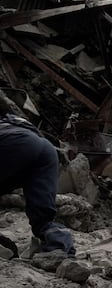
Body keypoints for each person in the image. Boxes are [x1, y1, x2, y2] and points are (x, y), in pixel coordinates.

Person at [0, 99, 75, 259]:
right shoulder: (12, 120)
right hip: (45, 149)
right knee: (42, 215)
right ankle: (60, 251)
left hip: (14, 143)